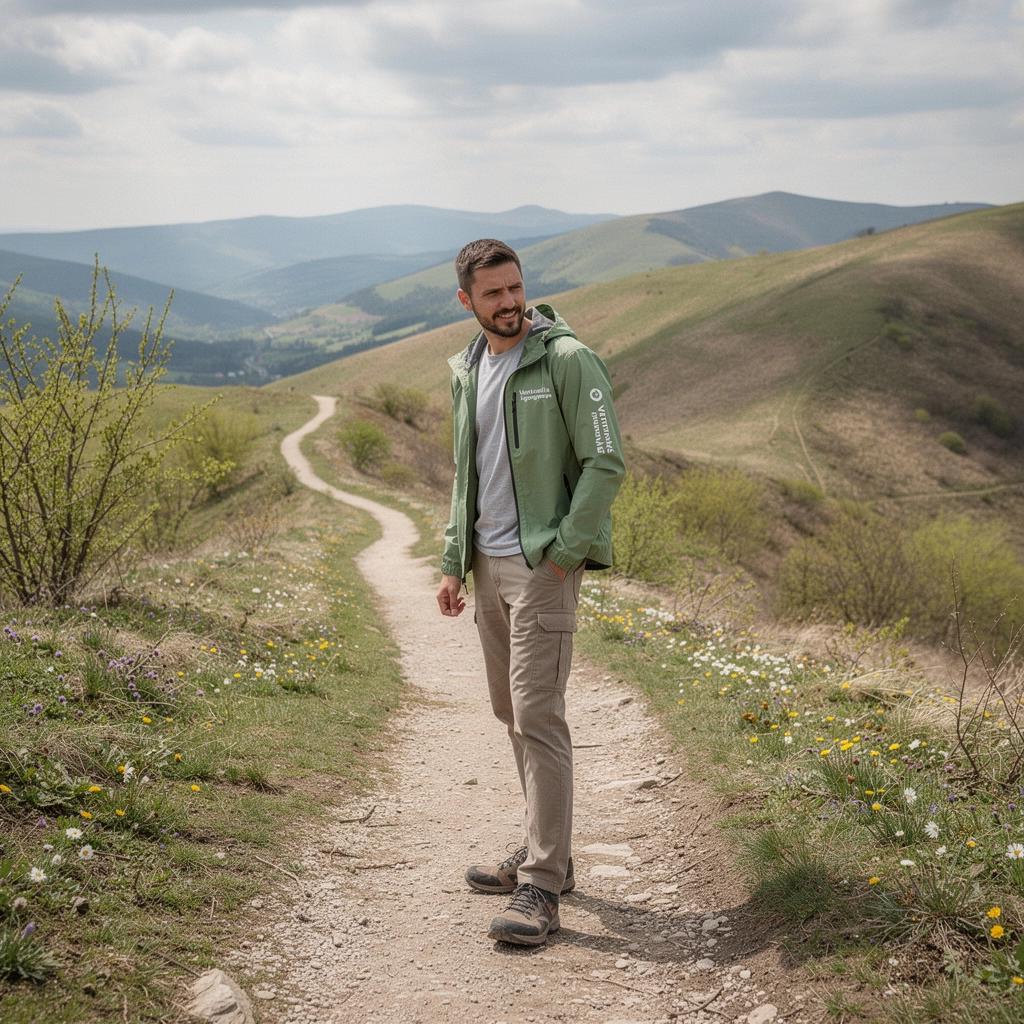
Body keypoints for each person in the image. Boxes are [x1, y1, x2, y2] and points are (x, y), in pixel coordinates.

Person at [436, 238, 626, 946]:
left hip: (544, 566)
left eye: (515, 288)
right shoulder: (468, 369)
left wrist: (563, 557)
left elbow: (606, 463)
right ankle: (550, 852)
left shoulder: (568, 360)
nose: (509, 302)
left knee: (538, 715)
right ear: (467, 300)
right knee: (509, 711)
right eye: (493, 293)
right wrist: (454, 561)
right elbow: (466, 473)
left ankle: (542, 885)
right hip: (487, 567)